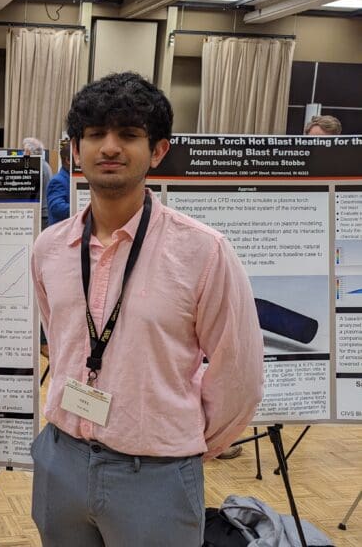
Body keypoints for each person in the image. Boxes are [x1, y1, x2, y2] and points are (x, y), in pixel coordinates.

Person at [30, 72, 264, 546]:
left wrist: (181, 446)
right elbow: (59, 340)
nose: (110, 147)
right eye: (95, 135)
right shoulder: (50, 249)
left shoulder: (203, 251)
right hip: (62, 460)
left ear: (157, 150)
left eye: (129, 135)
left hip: (154, 473)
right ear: (75, 149)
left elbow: (238, 374)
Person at [22, 137, 53, 230]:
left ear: (28, 152)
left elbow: (29, 192)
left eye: (24, 150)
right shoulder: (44, 165)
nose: (23, 153)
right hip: (44, 212)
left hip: (40, 214)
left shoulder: (36, 168)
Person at [46, 140, 71, 226]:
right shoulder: (57, 181)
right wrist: (84, 209)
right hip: (62, 234)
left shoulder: (71, 179)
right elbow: (57, 208)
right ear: (68, 160)